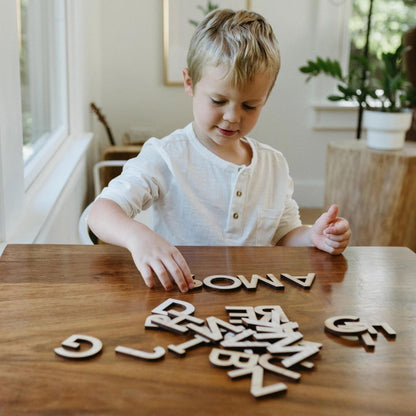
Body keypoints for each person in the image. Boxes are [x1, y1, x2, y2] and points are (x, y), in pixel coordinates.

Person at [88, 9, 351, 293]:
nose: (232, 117)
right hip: (181, 300)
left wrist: (314, 236)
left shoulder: (273, 165)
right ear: (189, 82)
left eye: (249, 106)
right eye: (218, 100)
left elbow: (284, 234)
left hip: (254, 304)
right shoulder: (165, 155)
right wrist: (138, 237)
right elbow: (100, 213)